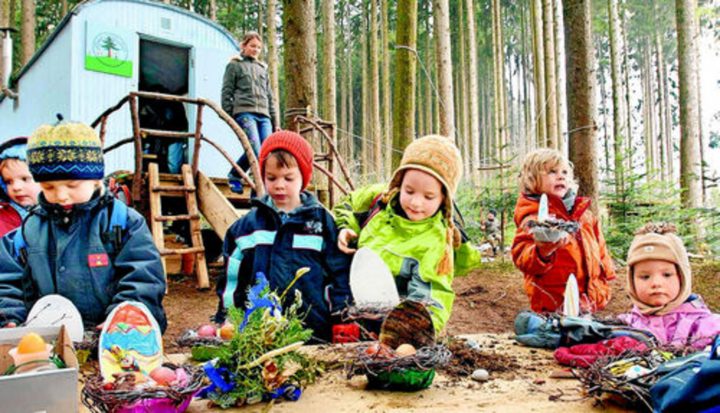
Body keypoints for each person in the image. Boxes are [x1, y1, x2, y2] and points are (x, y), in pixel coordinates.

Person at [0, 123, 167, 331]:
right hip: (49, 340)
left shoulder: (123, 223)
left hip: (113, 336)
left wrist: (124, 315)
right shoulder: (28, 232)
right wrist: (10, 316)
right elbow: (6, 281)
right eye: (49, 187)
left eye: (72, 185)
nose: (61, 196)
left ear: (96, 180)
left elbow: (143, 275)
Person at [334, 135, 480, 333]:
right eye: (409, 191)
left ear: (444, 199)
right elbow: (347, 203)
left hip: (396, 327)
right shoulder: (379, 200)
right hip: (351, 312)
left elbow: (431, 299)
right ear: (399, 183)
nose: (416, 203)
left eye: (428, 196)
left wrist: (411, 335)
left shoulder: (435, 242)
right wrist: (344, 227)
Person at [215, 131, 351, 342]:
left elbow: (339, 273)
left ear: (304, 178)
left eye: (288, 178)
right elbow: (232, 278)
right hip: (258, 333)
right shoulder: (246, 228)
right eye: (271, 178)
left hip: (313, 330)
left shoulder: (321, 223)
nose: (279, 185)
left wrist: (342, 316)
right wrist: (229, 317)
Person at [511, 148, 615, 314]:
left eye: (565, 172)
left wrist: (605, 277)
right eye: (552, 172)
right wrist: (543, 252)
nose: (561, 176)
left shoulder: (584, 216)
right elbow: (522, 257)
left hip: (589, 298)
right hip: (553, 301)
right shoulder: (533, 218)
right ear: (532, 179)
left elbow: (600, 248)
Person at [619, 223, 720, 350]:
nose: (656, 283)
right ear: (631, 281)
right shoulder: (626, 325)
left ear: (682, 277)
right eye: (645, 277)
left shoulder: (700, 323)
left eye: (667, 275)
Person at [221, 31, 277, 192]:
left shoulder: (262, 69)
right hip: (245, 112)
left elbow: (270, 96)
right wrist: (229, 115)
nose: (255, 50)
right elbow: (226, 92)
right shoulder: (234, 65)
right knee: (255, 150)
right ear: (243, 46)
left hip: (264, 115)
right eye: (252, 46)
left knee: (266, 153)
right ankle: (251, 184)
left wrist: (275, 122)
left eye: (258, 47)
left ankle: (239, 176)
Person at [0, 137, 41, 236]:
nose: (16, 187)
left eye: (25, 179)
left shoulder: (67, 216)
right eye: (8, 182)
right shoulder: (2, 222)